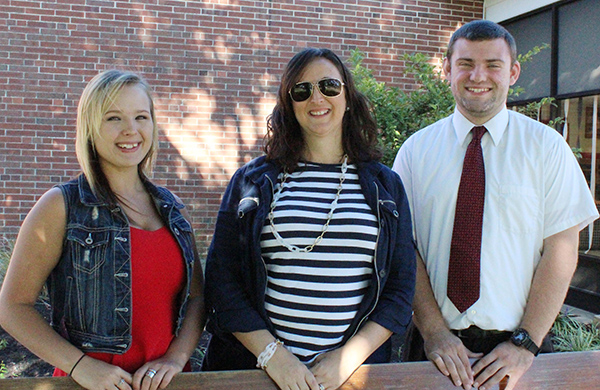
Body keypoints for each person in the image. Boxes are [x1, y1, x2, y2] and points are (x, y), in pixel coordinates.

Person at [393, 20, 599, 390]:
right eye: (466, 63)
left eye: (493, 64)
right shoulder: (415, 152)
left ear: (513, 72)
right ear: (447, 70)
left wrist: (526, 342)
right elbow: (404, 249)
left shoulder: (546, 148)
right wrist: (435, 332)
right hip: (435, 350)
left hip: (521, 351)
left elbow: (562, 249)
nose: (478, 75)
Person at [201, 47, 416, 390]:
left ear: (348, 95)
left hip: (349, 378)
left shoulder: (385, 186)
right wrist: (275, 358)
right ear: (289, 105)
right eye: (301, 91)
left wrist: (346, 359)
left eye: (329, 86)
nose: (316, 97)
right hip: (257, 374)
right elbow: (222, 279)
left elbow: (401, 289)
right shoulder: (251, 182)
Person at [0, 70, 206, 390]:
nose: (131, 130)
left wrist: (175, 358)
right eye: (114, 118)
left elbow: (196, 298)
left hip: (169, 383)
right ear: (90, 128)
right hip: (92, 384)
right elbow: (12, 306)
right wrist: (81, 366)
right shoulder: (61, 205)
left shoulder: (172, 208)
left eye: (141, 116)